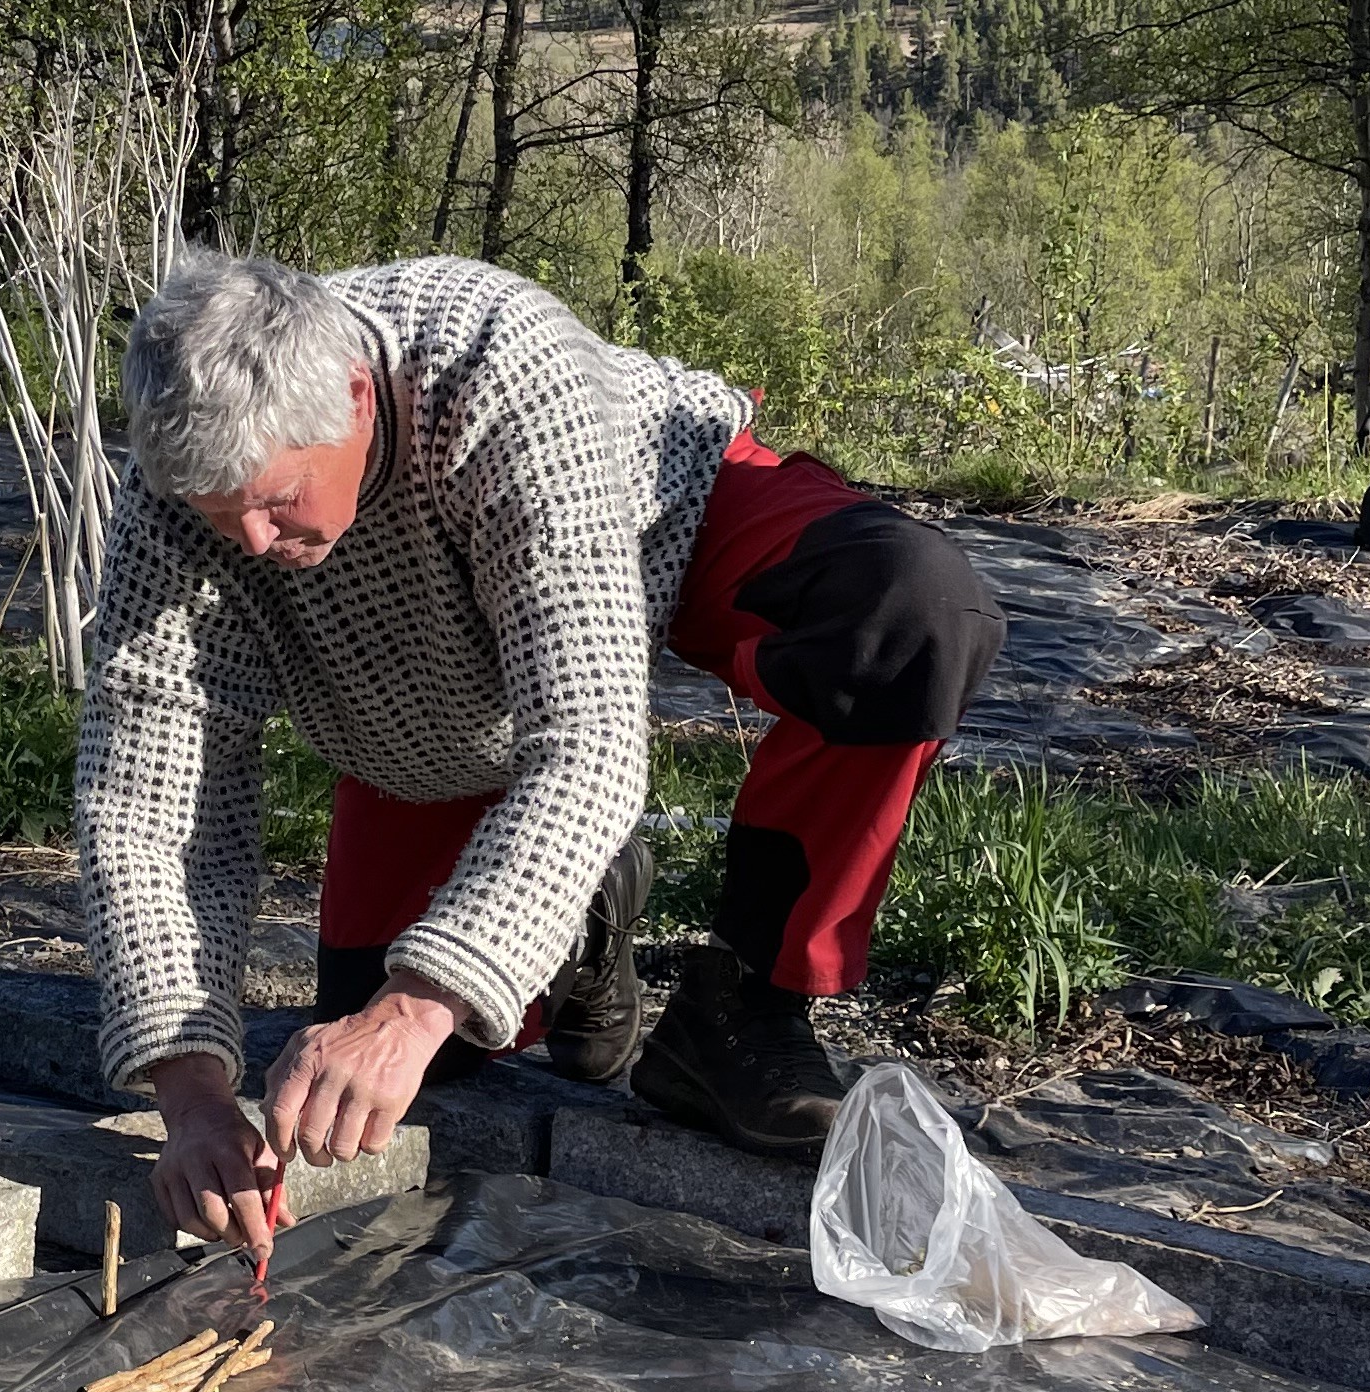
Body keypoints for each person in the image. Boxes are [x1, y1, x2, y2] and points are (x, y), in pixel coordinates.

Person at [74, 249, 1005, 1261]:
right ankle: (581, 913)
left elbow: (590, 739)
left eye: (274, 500)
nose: (248, 541)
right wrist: (193, 1092)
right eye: (223, 516)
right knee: (372, 1080)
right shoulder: (185, 487)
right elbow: (153, 800)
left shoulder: (501, 367)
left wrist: (421, 1001)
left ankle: (746, 1007)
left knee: (910, 606)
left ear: (352, 397)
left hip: (657, 525)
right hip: (424, 706)